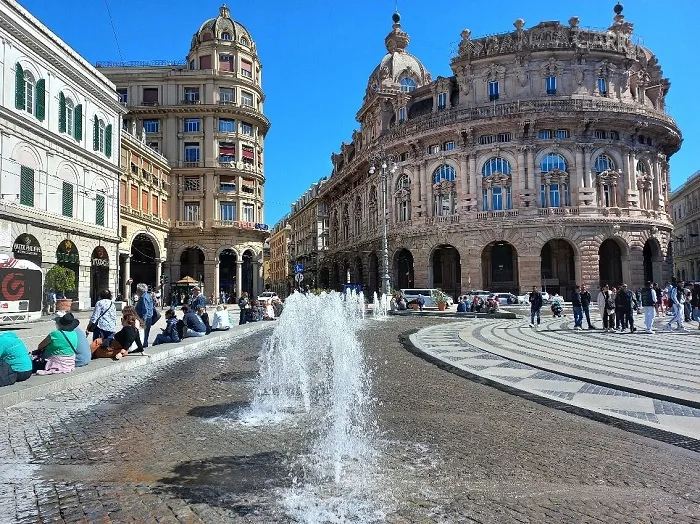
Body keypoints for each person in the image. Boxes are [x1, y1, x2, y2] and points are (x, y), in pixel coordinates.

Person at [135, 283, 154, 348]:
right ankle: (144, 345)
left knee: (143, 333)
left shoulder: (143, 297)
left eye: (137, 290)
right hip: (148, 317)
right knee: (145, 333)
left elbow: (145, 309)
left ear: (140, 290)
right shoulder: (148, 295)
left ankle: (143, 346)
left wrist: (143, 320)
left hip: (145, 318)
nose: (136, 291)